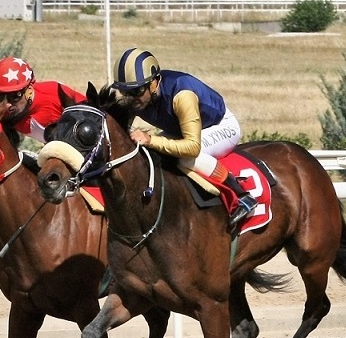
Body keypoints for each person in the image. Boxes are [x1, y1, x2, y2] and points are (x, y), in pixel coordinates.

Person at [110, 47, 257, 229]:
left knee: (185, 157)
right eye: (126, 92)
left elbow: (192, 147)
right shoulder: (141, 96)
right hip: (182, 129)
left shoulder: (182, 95)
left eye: (137, 91)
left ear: (154, 84)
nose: (132, 98)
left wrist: (151, 139)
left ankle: (242, 196)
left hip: (221, 127)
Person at [0, 56, 85, 144]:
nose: (7, 105)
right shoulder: (4, 115)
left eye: (14, 96)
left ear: (29, 89)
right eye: (0, 97)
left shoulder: (54, 92)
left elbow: (95, 115)